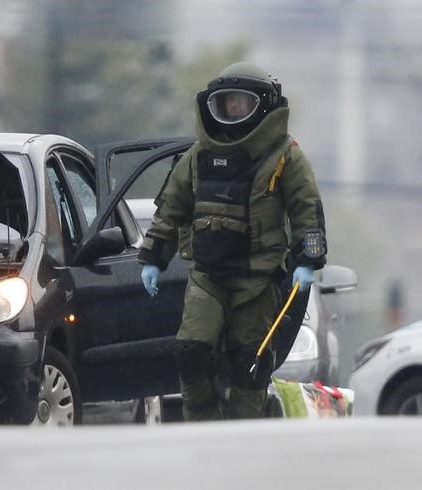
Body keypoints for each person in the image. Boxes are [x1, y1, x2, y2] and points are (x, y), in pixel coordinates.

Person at [138, 61, 327, 421]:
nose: (235, 109)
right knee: (191, 349)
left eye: (243, 101)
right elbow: (171, 206)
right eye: (228, 102)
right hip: (207, 275)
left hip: (257, 279)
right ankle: (202, 423)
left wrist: (307, 259)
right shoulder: (198, 155)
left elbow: (306, 208)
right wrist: (153, 257)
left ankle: (244, 434)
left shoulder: (285, 156)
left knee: (250, 360)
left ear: (264, 105)